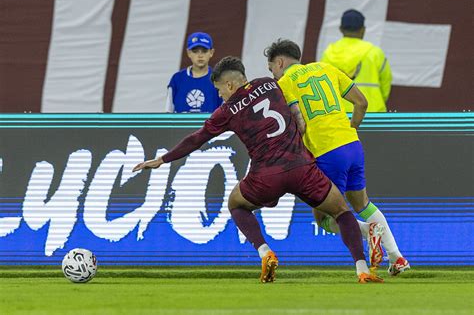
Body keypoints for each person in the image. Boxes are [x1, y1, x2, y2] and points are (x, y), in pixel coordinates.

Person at [134, 56, 383, 284]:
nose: (220, 95)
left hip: (266, 176)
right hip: (301, 168)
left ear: (230, 86)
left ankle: (265, 252)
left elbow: (196, 138)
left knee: (236, 204)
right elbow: (298, 117)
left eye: (220, 90)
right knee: (341, 210)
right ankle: (362, 270)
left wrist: (163, 159)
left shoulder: (227, 110)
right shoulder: (272, 84)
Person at [264, 39, 410, 276]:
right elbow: (362, 102)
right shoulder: (326, 68)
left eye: (272, 69)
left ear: (279, 62)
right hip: (352, 145)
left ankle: (368, 230)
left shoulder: (285, 83)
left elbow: (298, 124)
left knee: (325, 217)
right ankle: (397, 258)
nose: (274, 75)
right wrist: (351, 129)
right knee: (362, 203)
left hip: (326, 153)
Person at [321, 9, 392, 112]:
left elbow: (322, 84)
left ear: (341, 29)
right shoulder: (375, 52)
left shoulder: (329, 53)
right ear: (363, 29)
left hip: (338, 114)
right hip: (372, 113)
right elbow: (386, 82)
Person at [166, 32, 223, 113]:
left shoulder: (219, 79)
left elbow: (225, 113)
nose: (200, 55)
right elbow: (168, 112)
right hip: (181, 126)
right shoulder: (177, 79)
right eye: (195, 51)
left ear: (211, 52)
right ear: (188, 53)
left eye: (204, 51)